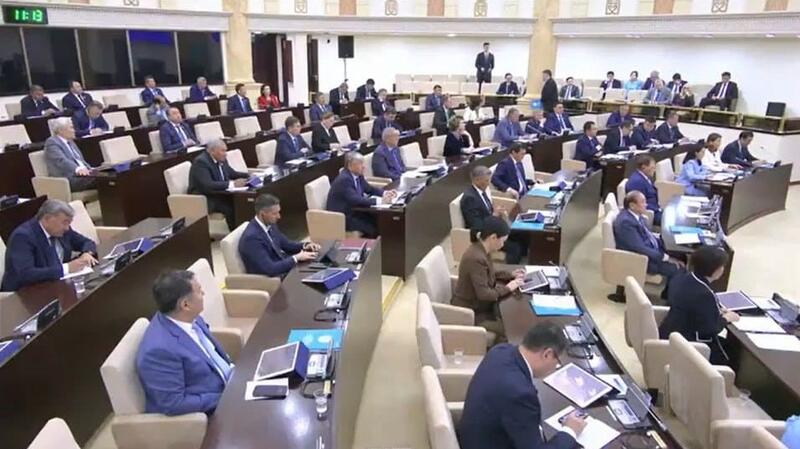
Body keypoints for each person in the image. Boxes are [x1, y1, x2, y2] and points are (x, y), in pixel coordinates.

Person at [458, 322, 586, 449]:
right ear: (547, 354)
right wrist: (570, 431)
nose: (555, 367)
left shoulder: (500, 350)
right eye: (557, 362)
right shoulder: (520, 394)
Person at [136, 270, 232, 416]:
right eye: (199, 291)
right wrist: (227, 397)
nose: (204, 293)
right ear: (185, 305)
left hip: (231, 382)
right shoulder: (159, 351)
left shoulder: (187, 317)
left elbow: (212, 355)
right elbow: (174, 404)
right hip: (212, 410)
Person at [658, 246, 739, 365]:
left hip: (671, 333)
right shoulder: (705, 294)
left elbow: (695, 308)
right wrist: (727, 318)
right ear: (716, 270)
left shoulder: (685, 278)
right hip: (688, 344)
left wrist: (714, 310)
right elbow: (710, 329)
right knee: (733, 353)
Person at [452, 216, 524, 343]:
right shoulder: (476, 258)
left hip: (480, 306)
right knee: (511, 330)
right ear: (493, 237)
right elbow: (485, 294)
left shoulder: (480, 249)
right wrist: (508, 287)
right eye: (502, 241)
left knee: (509, 316)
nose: (503, 245)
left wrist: (510, 275)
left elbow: (489, 272)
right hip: (473, 312)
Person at [1, 199, 97, 292]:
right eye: (65, 222)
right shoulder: (23, 236)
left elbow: (87, 242)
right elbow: (26, 274)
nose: (67, 228)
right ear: (47, 218)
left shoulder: (62, 231)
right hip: (23, 293)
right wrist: (67, 268)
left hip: (55, 285)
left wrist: (87, 253)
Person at [238, 194, 320, 278]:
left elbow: (287, 245)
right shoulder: (251, 239)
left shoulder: (270, 224)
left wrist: (305, 245)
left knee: (318, 266)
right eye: (274, 213)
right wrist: (296, 258)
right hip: (273, 279)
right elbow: (270, 269)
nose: (279, 216)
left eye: (278, 212)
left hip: (284, 268)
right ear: (262, 214)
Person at [460, 166, 525, 264]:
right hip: (485, 235)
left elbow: (487, 212)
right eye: (486, 180)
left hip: (493, 227)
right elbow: (476, 224)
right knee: (514, 248)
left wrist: (497, 212)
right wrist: (494, 216)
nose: (489, 183)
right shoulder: (469, 198)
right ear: (477, 180)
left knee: (522, 233)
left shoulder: (482, 192)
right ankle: (509, 269)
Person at [613, 191, 683, 279]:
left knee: (681, 255)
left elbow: (648, 235)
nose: (646, 205)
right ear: (632, 205)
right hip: (644, 260)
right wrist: (666, 258)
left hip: (653, 250)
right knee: (678, 269)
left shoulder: (636, 216)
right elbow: (640, 248)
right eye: (642, 202)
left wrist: (665, 247)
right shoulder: (626, 223)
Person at [326, 152, 395, 237]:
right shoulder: (344, 180)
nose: (363, 167)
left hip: (355, 211)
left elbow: (369, 189)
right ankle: (375, 244)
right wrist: (381, 201)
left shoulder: (358, 175)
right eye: (360, 164)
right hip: (343, 217)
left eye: (363, 163)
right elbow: (355, 199)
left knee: (379, 220)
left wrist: (384, 193)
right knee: (372, 227)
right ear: (350, 166)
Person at [188, 139, 249, 229]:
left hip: (220, 193)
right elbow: (207, 185)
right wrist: (232, 184)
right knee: (232, 207)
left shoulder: (221, 158)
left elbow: (232, 173)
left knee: (243, 202)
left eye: (226, 150)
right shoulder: (201, 162)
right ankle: (234, 232)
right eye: (223, 151)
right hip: (206, 197)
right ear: (212, 151)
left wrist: (248, 176)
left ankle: (243, 230)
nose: (225, 153)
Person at [44, 118, 97, 192]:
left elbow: (80, 160)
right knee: (103, 180)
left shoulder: (71, 142)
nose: (74, 130)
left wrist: (90, 169)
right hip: (69, 178)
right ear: (61, 130)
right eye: (71, 128)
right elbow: (61, 161)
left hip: (84, 175)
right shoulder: (52, 142)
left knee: (108, 176)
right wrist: (78, 169)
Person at [625, 154, 662, 224]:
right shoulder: (636, 182)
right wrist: (657, 210)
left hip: (656, 209)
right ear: (644, 167)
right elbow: (638, 204)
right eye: (652, 167)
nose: (654, 170)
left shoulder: (644, 177)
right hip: (651, 214)